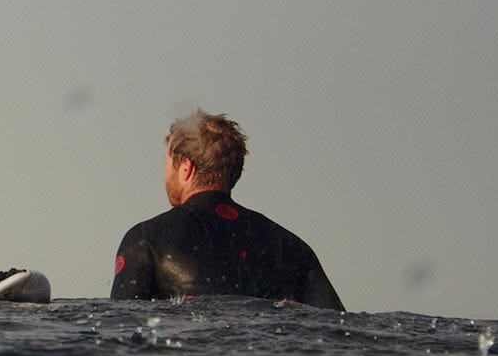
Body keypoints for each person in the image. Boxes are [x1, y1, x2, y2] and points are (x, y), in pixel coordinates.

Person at [110, 109, 344, 310]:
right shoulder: (295, 249)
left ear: (185, 168)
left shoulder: (146, 239)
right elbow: (338, 331)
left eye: (166, 163)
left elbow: (119, 331)